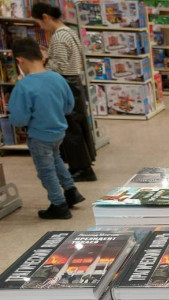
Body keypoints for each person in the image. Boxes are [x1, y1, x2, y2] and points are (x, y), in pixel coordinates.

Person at [8, 38, 85, 220]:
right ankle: (71, 191)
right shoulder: (57, 78)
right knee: (56, 160)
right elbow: (69, 106)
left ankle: (58, 205)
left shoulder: (24, 86)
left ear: (20, 60)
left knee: (46, 170)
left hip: (39, 135)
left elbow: (19, 118)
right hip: (59, 131)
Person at [32, 3, 97, 182]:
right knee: (77, 126)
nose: (41, 27)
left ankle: (82, 169)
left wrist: (44, 62)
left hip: (66, 83)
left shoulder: (59, 36)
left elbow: (58, 66)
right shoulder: (70, 32)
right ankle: (83, 165)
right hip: (73, 82)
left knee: (70, 128)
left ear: (46, 17)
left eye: (39, 23)